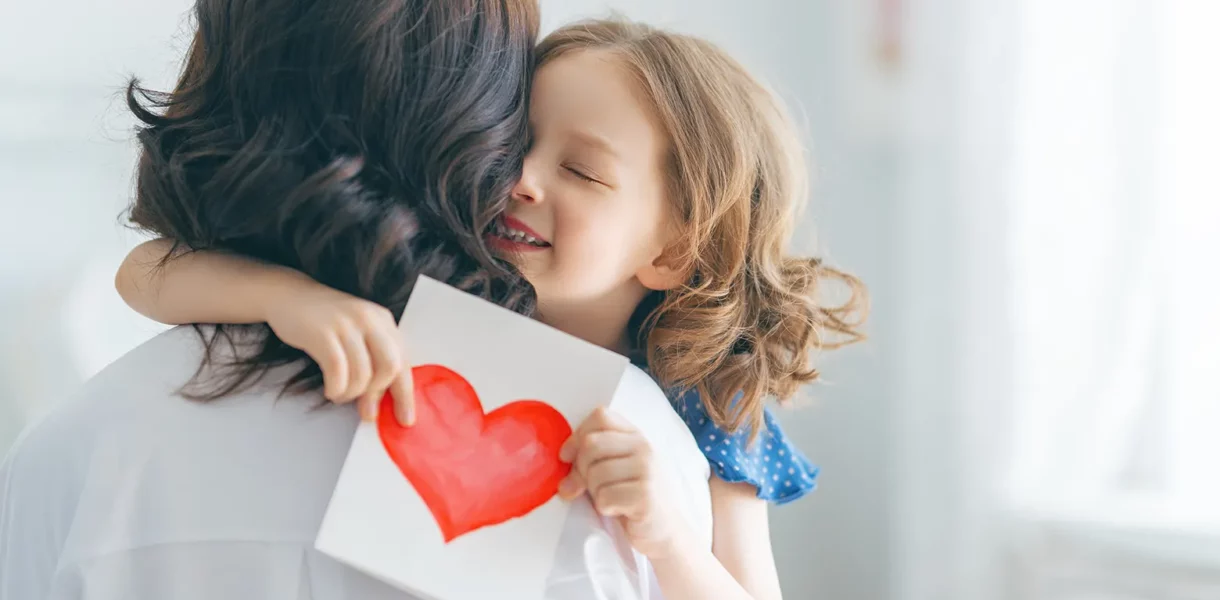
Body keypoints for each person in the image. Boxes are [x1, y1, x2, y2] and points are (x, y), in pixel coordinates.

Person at [113, 18, 870, 599]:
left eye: (579, 170)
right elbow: (142, 271)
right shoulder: (434, 288)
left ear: (673, 253)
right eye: (512, 146)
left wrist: (669, 539)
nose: (523, 181)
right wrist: (287, 299)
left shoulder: (715, 405)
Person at [0, 0, 548, 598]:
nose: (530, 180)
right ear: (482, 129)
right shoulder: (604, 445)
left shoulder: (68, 455)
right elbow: (138, 273)